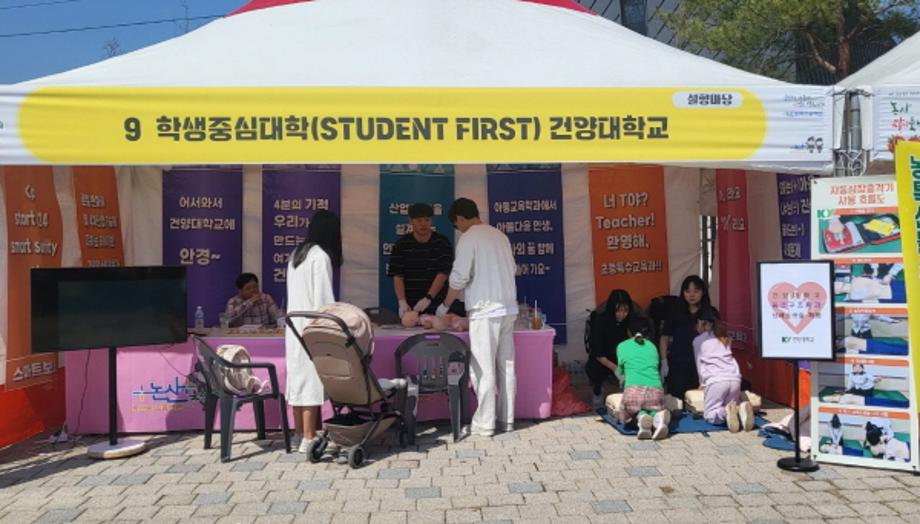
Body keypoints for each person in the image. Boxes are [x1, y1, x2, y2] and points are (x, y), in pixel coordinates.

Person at [437, 198, 518, 437]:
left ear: (460, 218)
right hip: (508, 308)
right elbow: (512, 269)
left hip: (485, 310)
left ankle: (485, 423)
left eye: (456, 225)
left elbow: (459, 277)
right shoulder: (500, 236)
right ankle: (507, 419)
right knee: (506, 366)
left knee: (483, 367)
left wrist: (445, 305)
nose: (458, 229)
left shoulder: (469, 237)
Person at [285, 210, 342, 453]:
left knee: (298, 378)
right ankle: (309, 438)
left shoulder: (296, 254)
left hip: (294, 327)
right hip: (312, 327)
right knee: (310, 381)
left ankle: (300, 433)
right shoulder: (320, 257)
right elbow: (323, 301)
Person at [388, 203, 455, 317]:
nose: (423, 224)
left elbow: (443, 273)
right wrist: (402, 302)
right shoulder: (401, 245)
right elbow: (397, 276)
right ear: (411, 221)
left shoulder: (442, 243)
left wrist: (428, 298)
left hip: (439, 305)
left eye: (427, 220)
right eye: (419, 220)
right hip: (411, 307)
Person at [692, 307, 753, 432]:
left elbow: (699, 363)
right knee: (730, 407)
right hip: (735, 379)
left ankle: (726, 412)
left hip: (716, 381)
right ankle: (738, 410)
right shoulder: (725, 338)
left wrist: (702, 383)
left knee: (710, 415)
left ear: (700, 322)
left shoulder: (699, 340)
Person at [660, 275, 714, 401]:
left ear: (703, 292)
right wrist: (664, 361)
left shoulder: (710, 313)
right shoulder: (675, 311)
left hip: (703, 366)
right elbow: (664, 337)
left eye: (696, 291)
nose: (691, 295)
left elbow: (718, 339)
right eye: (688, 291)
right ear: (683, 292)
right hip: (678, 364)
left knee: (700, 401)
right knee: (677, 401)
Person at [615, 317, 669, 440]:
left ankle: (641, 418)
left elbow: (620, 372)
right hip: (656, 392)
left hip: (633, 392)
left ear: (629, 332)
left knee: (626, 415)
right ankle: (657, 418)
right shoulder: (652, 346)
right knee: (652, 406)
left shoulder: (622, 346)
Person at [585, 289, 634, 409]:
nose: (622, 315)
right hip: (602, 358)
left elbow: (633, 342)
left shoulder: (629, 321)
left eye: (625, 311)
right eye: (618, 311)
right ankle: (598, 391)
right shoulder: (600, 321)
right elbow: (597, 352)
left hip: (620, 357)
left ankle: (627, 392)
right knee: (595, 369)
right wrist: (616, 369)